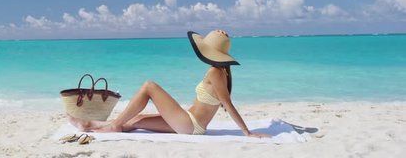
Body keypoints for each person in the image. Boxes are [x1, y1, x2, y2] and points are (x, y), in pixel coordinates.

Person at [68, 30, 271, 138]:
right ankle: (91, 125)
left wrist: (247, 132)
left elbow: (228, 104)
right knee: (137, 120)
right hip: (189, 122)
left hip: (190, 125)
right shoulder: (222, 72)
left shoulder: (216, 72)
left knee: (149, 86)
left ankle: (113, 126)